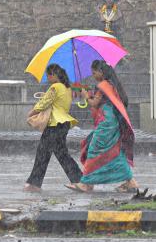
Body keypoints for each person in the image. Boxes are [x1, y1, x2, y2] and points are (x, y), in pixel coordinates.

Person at [65, 60, 139, 193]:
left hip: (106, 124)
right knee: (114, 152)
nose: (93, 75)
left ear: (101, 72)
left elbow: (94, 103)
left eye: (94, 72)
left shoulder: (103, 85)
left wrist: (84, 95)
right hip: (112, 122)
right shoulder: (111, 84)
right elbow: (102, 101)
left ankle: (86, 184)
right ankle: (131, 182)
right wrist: (88, 93)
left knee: (94, 150)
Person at [24, 64, 83, 192]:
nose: (48, 78)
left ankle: (34, 184)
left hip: (54, 125)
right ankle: (79, 179)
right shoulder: (67, 88)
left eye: (48, 75)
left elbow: (44, 103)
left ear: (54, 75)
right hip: (64, 124)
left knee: (43, 154)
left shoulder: (55, 87)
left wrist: (31, 113)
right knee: (62, 154)